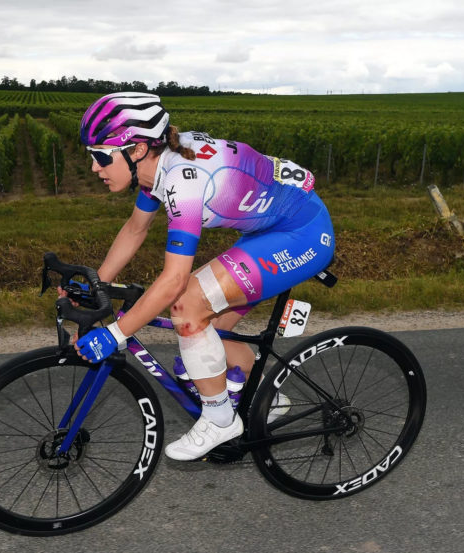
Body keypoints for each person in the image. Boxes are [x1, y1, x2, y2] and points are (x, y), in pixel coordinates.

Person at [69, 91, 335, 461]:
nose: (95, 168)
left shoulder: (184, 180)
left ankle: (221, 421)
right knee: (196, 355)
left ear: (138, 149)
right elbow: (135, 229)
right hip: (265, 230)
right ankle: (262, 400)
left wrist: (116, 334)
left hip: (301, 232)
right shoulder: (155, 168)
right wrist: (95, 282)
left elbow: (175, 281)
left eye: (100, 156)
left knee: (186, 305)